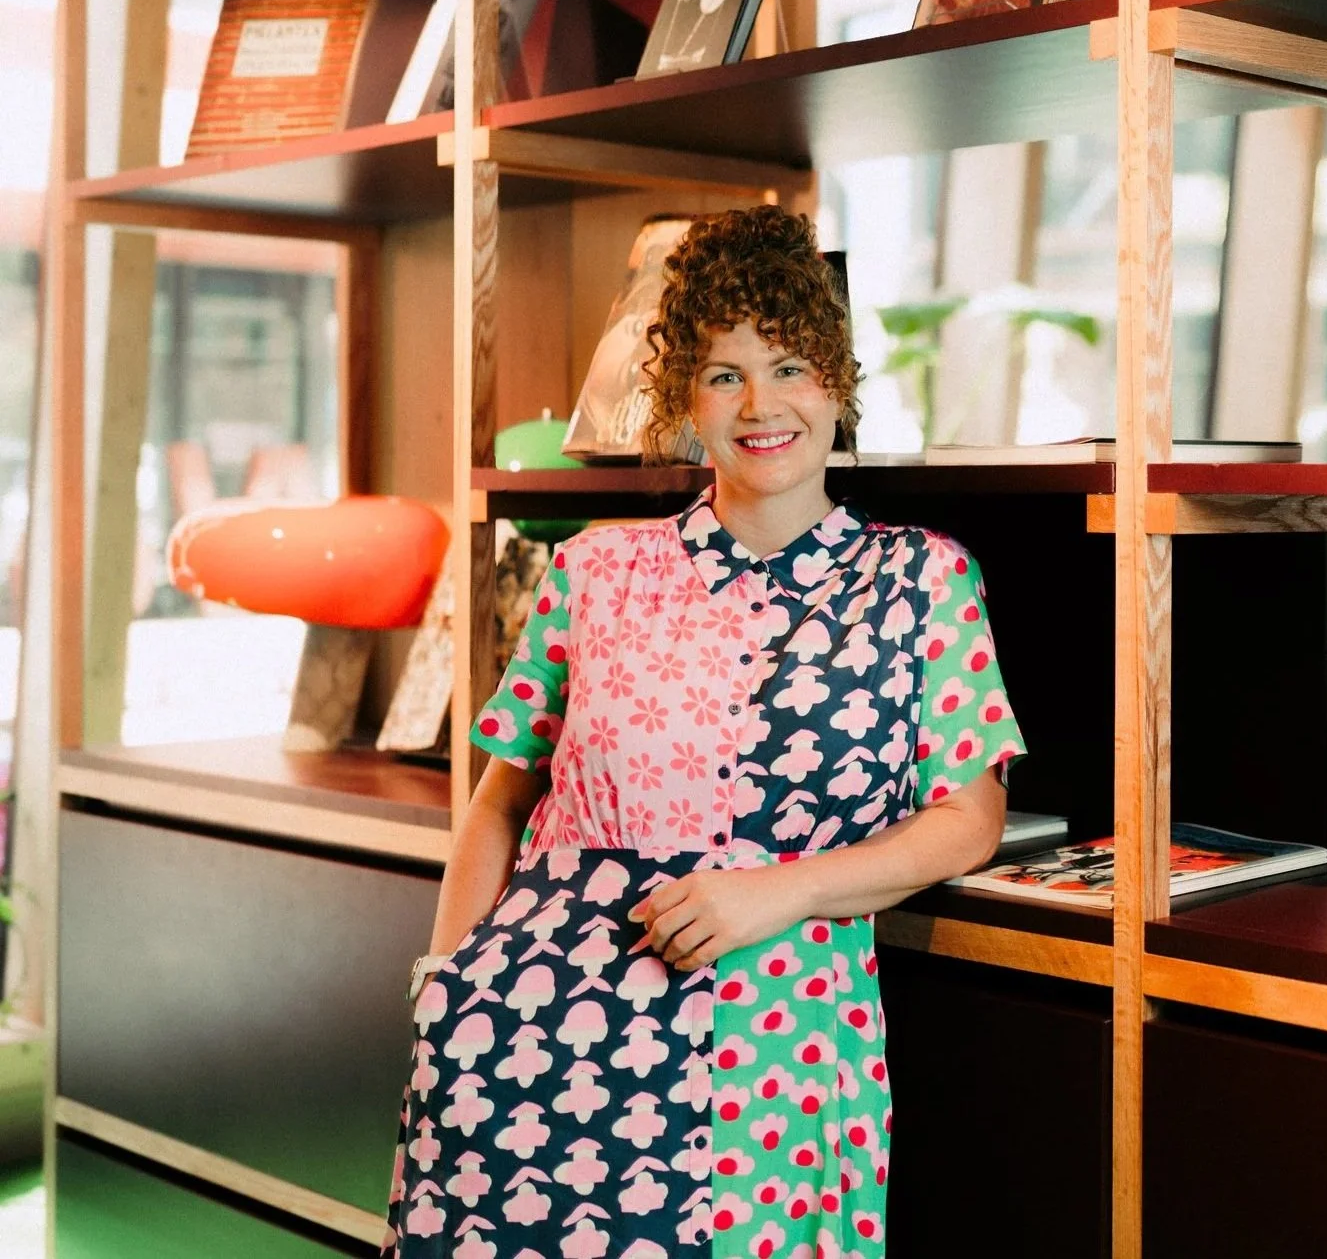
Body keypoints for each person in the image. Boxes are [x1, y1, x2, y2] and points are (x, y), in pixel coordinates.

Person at [384, 204, 1022, 1258]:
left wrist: (783, 886)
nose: (760, 403)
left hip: (775, 1048)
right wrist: (445, 982)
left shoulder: (922, 577)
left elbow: (970, 817)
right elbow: (501, 797)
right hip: (529, 1037)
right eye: (724, 373)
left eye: (789, 366)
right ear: (685, 395)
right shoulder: (594, 568)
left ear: (837, 384)